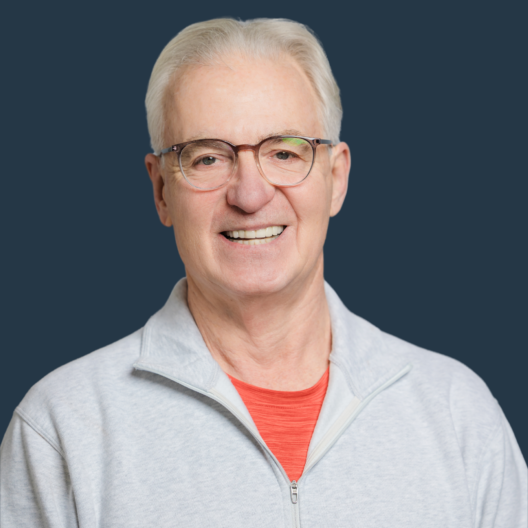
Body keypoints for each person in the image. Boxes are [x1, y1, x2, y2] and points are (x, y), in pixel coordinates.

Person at [0, 17, 526, 527]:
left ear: (336, 177)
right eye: (207, 158)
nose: (250, 195)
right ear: (161, 189)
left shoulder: (459, 415)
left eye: (284, 152)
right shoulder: (63, 428)